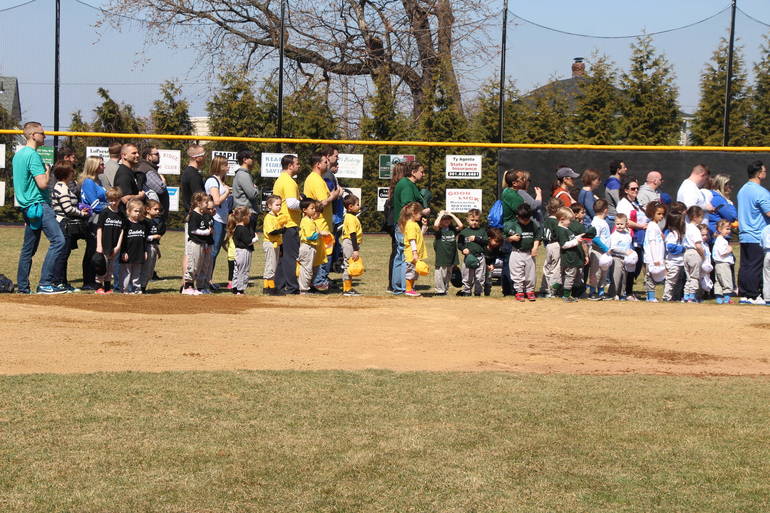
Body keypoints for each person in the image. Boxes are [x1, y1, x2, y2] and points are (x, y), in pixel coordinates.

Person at [13, 122, 67, 294]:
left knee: (28, 249)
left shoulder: (18, 155)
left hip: (27, 207)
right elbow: (43, 184)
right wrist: (47, 170)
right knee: (59, 241)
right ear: (32, 135)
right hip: (39, 205)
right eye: (42, 133)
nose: (45, 136)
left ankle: (23, 287)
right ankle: (45, 283)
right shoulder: (33, 156)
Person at [390, 162, 429, 295]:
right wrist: (423, 211)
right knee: (405, 257)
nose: (423, 174)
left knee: (400, 255)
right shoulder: (406, 185)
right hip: (404, 225)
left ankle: (398, 286)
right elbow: (408, 206)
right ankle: (404, 287)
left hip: (403, 225)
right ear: (413, 172)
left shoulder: (408, 184)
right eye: (421, 171)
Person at [303, 151, 340, 291]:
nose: (328, 163)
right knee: (325, 254)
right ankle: (320, 281)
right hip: (320, 223)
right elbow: (320, 204)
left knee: (320, 254)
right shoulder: (316, 180)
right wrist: (334, 196)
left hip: (322, 222)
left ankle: (316, 280)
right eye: (325, 162)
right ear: (318, 165)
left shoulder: (316, 178)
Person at [51, 162, 90, 291]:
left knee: (64, 254)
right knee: (63, 254)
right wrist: (82, 213)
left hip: (64, 223)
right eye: (72, 171)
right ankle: (58, 282)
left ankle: (63, 281)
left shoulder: (63, 186)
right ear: (67, 173)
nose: (74, 173)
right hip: (63, 223)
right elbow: (67, 209)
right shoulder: (62, 188)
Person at [736, 161, 770, 304]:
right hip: (758, 235)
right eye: (764, 171)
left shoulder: (742, 190)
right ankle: (753, 295)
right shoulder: (760, 192)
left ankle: (744, 294)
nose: (766, 173)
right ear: (758, 173)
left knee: (745, 265)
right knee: (756, 266)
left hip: (744, 234)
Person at [274, 154, 302, 294]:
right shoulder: (289, 182)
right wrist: (306, 205)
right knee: (291, 257)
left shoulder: (280, 180)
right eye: (297, 163)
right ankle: (292, 287)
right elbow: (291, 204)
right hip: (290, 223)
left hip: (282, 223)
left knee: (283, 257)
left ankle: (278, 285)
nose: (299, 166)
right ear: (290, 166)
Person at [79, 156, 108, 289]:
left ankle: (95, 279)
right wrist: (110, 207)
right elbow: (95, 205)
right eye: (101, 164)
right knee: (91, 249)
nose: (104, 166)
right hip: (92, 220)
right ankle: (88, 281)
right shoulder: (88, 182)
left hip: (99, 218)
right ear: (94, 166)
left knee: (96, 249)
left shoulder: (98, 181)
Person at [616, 179, 648, 297]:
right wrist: (641, 226)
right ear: (626, 190)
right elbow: (625, 221)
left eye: (637, 188)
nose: (635, 190)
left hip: (638, 238)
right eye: (632, 189)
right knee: (630, 264)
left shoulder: (637, 203)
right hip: (628, 238)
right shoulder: (623, 204)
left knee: (637, 264)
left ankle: (628, 290)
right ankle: (626, 291)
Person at [205, 155, 233, 286]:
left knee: (215, 250)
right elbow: (216, 201)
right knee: (213, 250)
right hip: (215, 219)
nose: (228, 167)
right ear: (219, 166)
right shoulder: (212, 181)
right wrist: (227, 193)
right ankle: (206, 279)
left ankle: (208, 279)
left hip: (221, 219)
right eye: (226, 164)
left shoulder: (221, 181)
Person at [505, 203, 540, 302]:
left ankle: (530, 291)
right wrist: (511, 238)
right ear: (517, 217)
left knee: (530, 274)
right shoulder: (512, 225)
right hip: (517, 253)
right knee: (517, 274)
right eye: (523, 219)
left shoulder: (533, 224)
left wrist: (535, 247)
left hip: (529, 253)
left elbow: (537, 236)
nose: (525, 222)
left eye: (527, 219)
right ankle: (519, 292)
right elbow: (503, 236)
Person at [95, 187, 124, 295]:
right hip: (104, 244)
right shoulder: (105, 212)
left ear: (120, 199)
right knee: (103, 266)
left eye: (116, 200)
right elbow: (99, 228)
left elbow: (122, 231)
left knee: (110, 268)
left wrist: (118, 246)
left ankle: (107, 288)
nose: (113, 202)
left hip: (115, 245)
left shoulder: (121, 214)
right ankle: (98, 286)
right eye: (111, 200)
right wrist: (99, 245)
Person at [182, 192, 212, 295]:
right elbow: (193, 231)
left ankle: (200, 287)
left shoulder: (203, 215)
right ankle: (187, 286)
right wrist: (206, 232)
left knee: (201, 265)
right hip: (195, 243)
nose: (208, 204)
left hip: (203, 244)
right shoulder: (194, 215)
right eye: (205, 202)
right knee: (193, 265)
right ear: (198, 203)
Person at [385, 162, 407, 291]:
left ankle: (393, 282)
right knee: (398, 252)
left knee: (396, 251)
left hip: (392, 221)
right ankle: (394, 283)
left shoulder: (394, 185)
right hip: (396, 221)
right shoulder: (400, 186)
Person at [554, 207, 584, 302]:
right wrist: (576, 242)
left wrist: (578, 237)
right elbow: (564, 245)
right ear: (562, 219)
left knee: (565, 276)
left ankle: (555, 286)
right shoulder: (561, 230)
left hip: (570, 257)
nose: (570, 222)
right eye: (569, 220)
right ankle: (566, 296)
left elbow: (571, 238)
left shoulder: (565, 229)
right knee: (570, 276)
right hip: (569, 258)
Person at [120, 198, 148, 294]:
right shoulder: (126, 224)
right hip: (128, 253)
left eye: (140, 211)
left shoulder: (143, 224)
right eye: (135, 211)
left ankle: (136, 289)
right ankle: (125, 289)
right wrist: (123, 252)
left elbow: (144, 240)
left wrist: (145, 251)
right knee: (127, 272)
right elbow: (122, 240)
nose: (138, 213)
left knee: (137, 272)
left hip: (139, 252)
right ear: (128, 211)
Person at [432, 210, 463, 296]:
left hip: (452, 256)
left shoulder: (452, 230)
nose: (446, 220)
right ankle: (439, 290)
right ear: (440, 220)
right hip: (442, 256)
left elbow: (460, 225)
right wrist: (441, 215)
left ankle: (445, 289)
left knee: (448, 274)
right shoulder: (439, 231)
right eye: (444, 219)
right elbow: (435, 225)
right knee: (440, 274)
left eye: (448, 219)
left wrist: (451, 215)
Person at [400, 201, 427, 297]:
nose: (421, 215)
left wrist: (424, 226)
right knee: (410, 272)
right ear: (414, 213)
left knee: (414, 273)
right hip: (412, 254)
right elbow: (412, 240)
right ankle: (408, 289)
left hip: (415, 253)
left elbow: (420, 235)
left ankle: (411, 288)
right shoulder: (411, 225)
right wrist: (414, 253)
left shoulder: (414, 224)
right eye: (420, 213)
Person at [458, 208, 487, 297]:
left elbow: (486, 242)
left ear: (480, 221)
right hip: (469, 258)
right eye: (472, 220)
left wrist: (476, 239)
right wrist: (463, 249)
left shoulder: (482, 231)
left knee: (480, 277)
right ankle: (467, 291)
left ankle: (478, 292)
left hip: (480, 258)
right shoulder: (464, 232)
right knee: (467, 276)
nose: (474, 222)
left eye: (477, 220)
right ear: (467, 220)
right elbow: (459, 244)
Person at [230, 206, 257, 296]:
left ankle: (235, 287)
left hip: (238, 251)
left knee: (237, 270)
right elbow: (248, 242)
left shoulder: (236, 228)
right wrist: (255, 239)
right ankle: (240, 290)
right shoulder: (243, 229)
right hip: (244, 252)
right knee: (243, 270)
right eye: (248, 216)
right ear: (244, 217)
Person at [642, 201, 666, 302]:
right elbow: (652, 244)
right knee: (650, 277)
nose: (661, 216)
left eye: (662, 214)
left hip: (657, 256)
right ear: (652, 214)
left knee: (655, 276)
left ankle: (650, 296)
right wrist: (655, 259)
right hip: (652, 257)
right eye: (659, 214)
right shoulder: (652, 226)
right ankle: (651, 296)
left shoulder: (656, 226)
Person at [261, 195, 286, 296]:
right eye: (277, 205)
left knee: (272, 265)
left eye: (280, 205)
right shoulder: (269, 217)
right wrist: (281, 230)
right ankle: (272, 288)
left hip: (275, 244)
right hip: (270, 243)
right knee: (271, 266)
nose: (279, 207)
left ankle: (266, 287)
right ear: (269, 206)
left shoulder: (276, 217)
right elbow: (271, 232)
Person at [340, 194, 364, 296]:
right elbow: (353, 234)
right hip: (350, 243)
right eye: (357, 204)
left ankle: (348, 288)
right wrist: (355, 249)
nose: (359, 206)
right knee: (349, 265)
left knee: (349, 265)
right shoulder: (350, 218)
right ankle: (347, 289)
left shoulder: (351, 217)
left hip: (350, 243)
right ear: (350, 207)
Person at [663, 204, 687, 302]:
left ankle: (676, 297)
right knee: (671, 281)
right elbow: (670, 247)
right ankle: (667, 297)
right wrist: (683, 249)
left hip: (681, 262)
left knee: (679, 281)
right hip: (673, 262)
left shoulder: (680, 233)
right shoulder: (672, 234)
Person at [587, 199, 611, 300]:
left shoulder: (602, 221)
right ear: (605, 210)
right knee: (595, 273)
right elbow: (595, 238)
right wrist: (605, 248)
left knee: (603, 273)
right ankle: (592, 292)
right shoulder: (596, 222)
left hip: (604, 252)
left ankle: (601, 292)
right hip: (597, 251)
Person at [138, 146, 169, 221]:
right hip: (152, 215)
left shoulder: (149, 168)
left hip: (155, 213)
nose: (159, 156)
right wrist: (163, 181)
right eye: (156, 154)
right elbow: (160, 189)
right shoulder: (147, 169)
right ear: (149, 157)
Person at [231, 149, 260, 229]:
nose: (253, 160)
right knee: (247, 239)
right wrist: (256, 189)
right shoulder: (243, 175)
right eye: (252, 158)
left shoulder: (242, 174)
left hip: (244, 212)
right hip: (246, 213)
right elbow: (252, 194)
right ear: (245, 160)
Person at [140, 199, 165, 293]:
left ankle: (143, 286)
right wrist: (153, 237)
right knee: (145, 269)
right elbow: (142, 236)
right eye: (155, 209)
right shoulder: (144, 221)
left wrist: (157, 249)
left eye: (159, 209)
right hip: (146, 247)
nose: (158, 211)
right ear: (147, 209)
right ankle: (141, 288)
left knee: (150, 270)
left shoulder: (154, 222)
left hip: (153, 247)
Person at [682, 206, 705, 303]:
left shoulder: (686, 227)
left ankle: (686, 296)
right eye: (701, 217)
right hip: (694, 253)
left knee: (688, 276)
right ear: (695, 217)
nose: (702, 219)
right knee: (694, 276)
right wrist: (703, 254)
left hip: (686, 253)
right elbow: (698, 245)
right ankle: (692, 296)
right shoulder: (695, 229)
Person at [540, 198, 563, 298]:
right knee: (555, 268)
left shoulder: (546, 220)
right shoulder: (556, 222)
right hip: (555, 245)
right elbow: (559, 235)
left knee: (547, 267)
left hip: (548, 245)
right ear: (557, 210)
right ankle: (552, 290)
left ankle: (544, 288)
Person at [298, 198, 321, 294]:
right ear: (304, 210)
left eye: (314, 208)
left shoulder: (310, 220)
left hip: (310, 247)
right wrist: (320, 233)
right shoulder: (306, 221)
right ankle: (303, 289)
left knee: (307, 269)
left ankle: (304, 287)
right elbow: (310, 236)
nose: (314, 210)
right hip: (307, 247)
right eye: (312, 208)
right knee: (306, 269)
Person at [608, 213, 634, 300]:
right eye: (617, 224)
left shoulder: (627, 234)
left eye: (621, 224)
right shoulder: (614, 235)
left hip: (626, 259)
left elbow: (629, 246)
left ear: (626, 224)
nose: (619, 226)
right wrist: (625, 252)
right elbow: (613, 249)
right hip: (616, 258)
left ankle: (622, 293)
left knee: (624, 277)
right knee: (616, 276)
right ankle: (613, 293)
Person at [114, 143, 145, 213]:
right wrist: (140, 196)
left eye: (137, 153)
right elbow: (125, 199)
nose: (137, 155)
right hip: (126, 218)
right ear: (124, 155)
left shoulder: (129, 171)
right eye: (134, 153)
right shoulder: (124, 174)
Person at [712, 219, 735, 304]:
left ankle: (719, 297)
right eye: (727, 229)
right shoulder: (721, 240)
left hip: (719, 264)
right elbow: (722, 253)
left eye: (729, 229)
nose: (728, 231)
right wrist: (729, 249)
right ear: (719, 229)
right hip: (723, 264)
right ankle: (727, 297)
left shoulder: (719, 239)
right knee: (726, 280)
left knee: (719, 281)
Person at [180, 144, 206, 214]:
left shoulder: (189, 172)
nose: (205, 157)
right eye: (203, 155)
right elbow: (199, 198)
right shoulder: (193, 175)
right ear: (197, 158)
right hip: (194, 216)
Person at [604, 160, 628, 229]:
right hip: (614, 220)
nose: (626, 169)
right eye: (624, 167)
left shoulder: (614, 182)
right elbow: (619, 203)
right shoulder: (614, 184)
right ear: (618, 170)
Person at [761, 223, 770, 304]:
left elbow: (761, 244)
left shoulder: (765, 228)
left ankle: (767, 298)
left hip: (767, 253)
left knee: (767, 277)